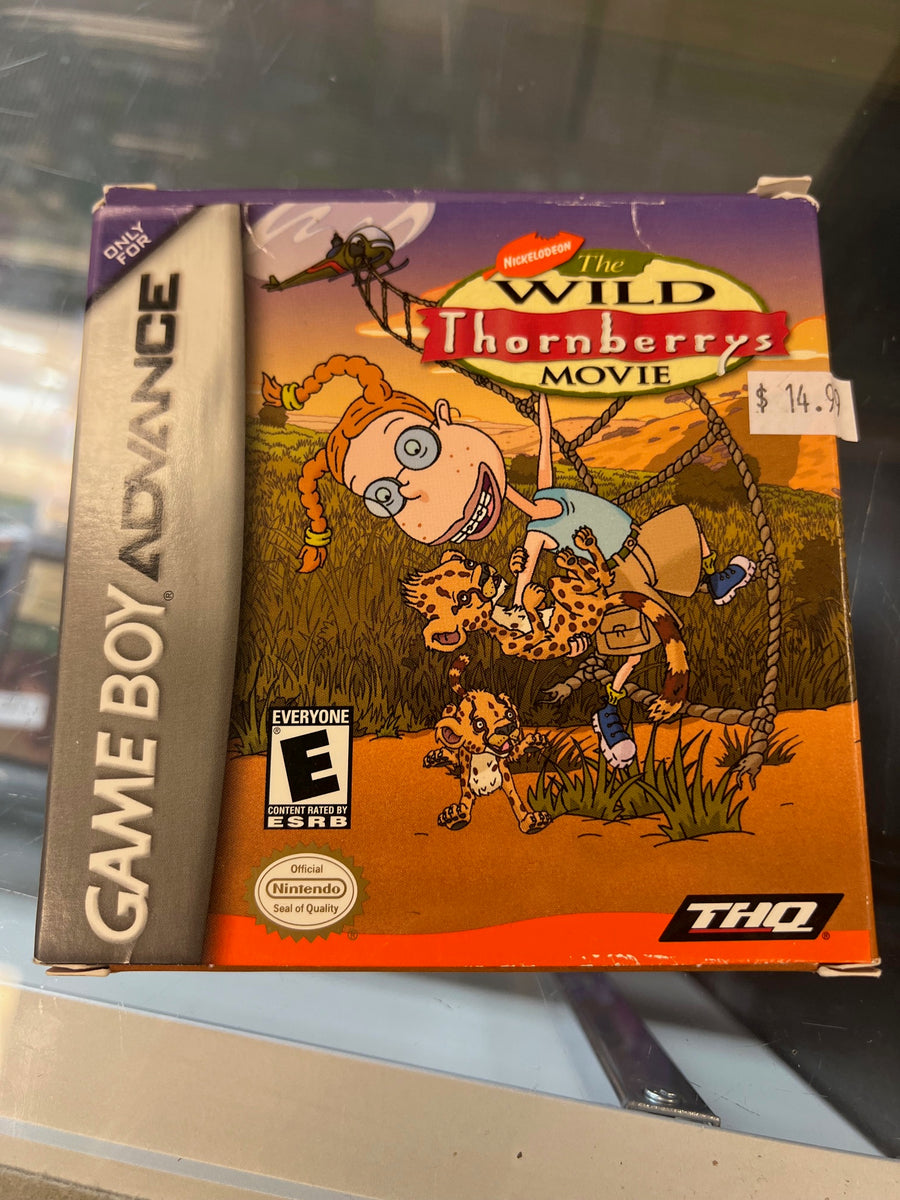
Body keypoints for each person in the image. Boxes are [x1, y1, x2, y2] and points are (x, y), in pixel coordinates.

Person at [262, 353, 755, 765]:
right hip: (613, 579)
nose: (410, 489)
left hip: (637, 545)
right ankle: (609, 715)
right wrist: (520, 590)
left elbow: (544, 454)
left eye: (416, 448)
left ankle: (713, 582)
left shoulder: (545, 499)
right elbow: (523, 586)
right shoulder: (538, 534)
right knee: (632, 651)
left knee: (687, 530)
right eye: (385, 496)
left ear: (442, 418)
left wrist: (542, 407)